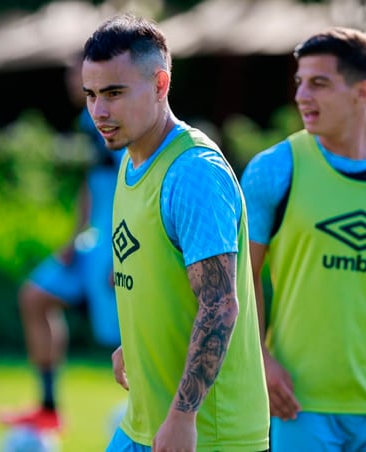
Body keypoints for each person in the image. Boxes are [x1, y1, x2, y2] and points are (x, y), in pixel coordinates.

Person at [240, 27, 366, 451]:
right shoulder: (274, 169)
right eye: (299, 82)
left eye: (319, 83)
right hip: (300, 402)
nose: (301, 96)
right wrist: (261, 359)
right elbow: (243, 276)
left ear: (362, 92)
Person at [81, 14, 269, 451]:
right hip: (141, 423)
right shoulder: (131, 159)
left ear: (161, 84)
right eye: (90, 95)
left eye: (113, 93)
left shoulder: (193, 174)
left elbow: (220, 305)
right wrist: (138, 345)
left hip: (207, 434)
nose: (99, 111)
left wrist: (184, 417)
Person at [0, 58, 124, 432]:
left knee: (132, 338)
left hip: (118, 247)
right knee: (34, 297)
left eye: (79, 76)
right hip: (90, 244)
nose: (75, 84)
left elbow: (134, 186)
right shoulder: (90, 121)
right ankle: (48, 407)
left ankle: (172, 420)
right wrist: (73, 239)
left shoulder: (124, 121)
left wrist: (125, 255)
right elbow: (93, 185)